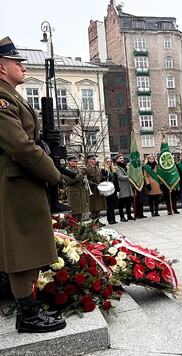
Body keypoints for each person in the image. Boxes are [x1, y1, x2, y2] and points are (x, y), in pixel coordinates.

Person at [0, 36, 66, 332]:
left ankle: (28, 307)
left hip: (23, 182)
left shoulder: (11, 96)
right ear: (2, 68)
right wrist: (53, 172)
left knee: (30, 245)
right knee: (20, 248)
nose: (22, 67)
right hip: (15, 183)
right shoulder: (1, 100)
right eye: (17, 62)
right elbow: (21, 145)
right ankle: (26, 313)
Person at [63, 156, 88, 222]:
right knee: (74, 212)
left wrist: (84, 180)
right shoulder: (66, 170)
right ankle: (74, 227)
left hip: (80, 191)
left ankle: (80, 226)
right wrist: (81, 176)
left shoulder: (79, 169)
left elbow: (81, 178)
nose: (76, 163)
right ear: (69, 162)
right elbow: (70, 180)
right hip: (73, 192)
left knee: (81, 212)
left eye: (76, 161)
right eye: (74, 161)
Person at [84, 154, 107, 225]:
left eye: (94, 159)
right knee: (94, 206)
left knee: (100, 205)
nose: (94, 160)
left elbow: (99, 176)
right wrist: (93, 184)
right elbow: (86, 179)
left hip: (98, 188)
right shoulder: (86, 169)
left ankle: (97, 220)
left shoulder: (97, 168)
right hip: (92, 189)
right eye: (93, 159)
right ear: (89, 160)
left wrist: (103, 179)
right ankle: (93, 221)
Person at [115, 154, 133, 221]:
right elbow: (120, 177)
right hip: (122, 188)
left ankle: (129, 215)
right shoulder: (116, 168)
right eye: (120, 158)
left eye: (122, 158)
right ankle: (122, 217)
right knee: (121, 204)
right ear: (117, 160)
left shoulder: (125, 166)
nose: (122, 159)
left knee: (128, 203)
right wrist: (129, 177)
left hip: (128, 187)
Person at [101, 157, 119, 225]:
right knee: (109, 205)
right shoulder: (104, 170)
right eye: (108, 161)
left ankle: (113, 219)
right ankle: (110, 219)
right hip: (108, 189)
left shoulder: (113, 170)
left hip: (113, 189)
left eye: (110, 161)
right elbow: (103, 179)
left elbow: (116, 181)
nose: (109, 163)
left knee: (113, 204)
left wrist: (117, 190)